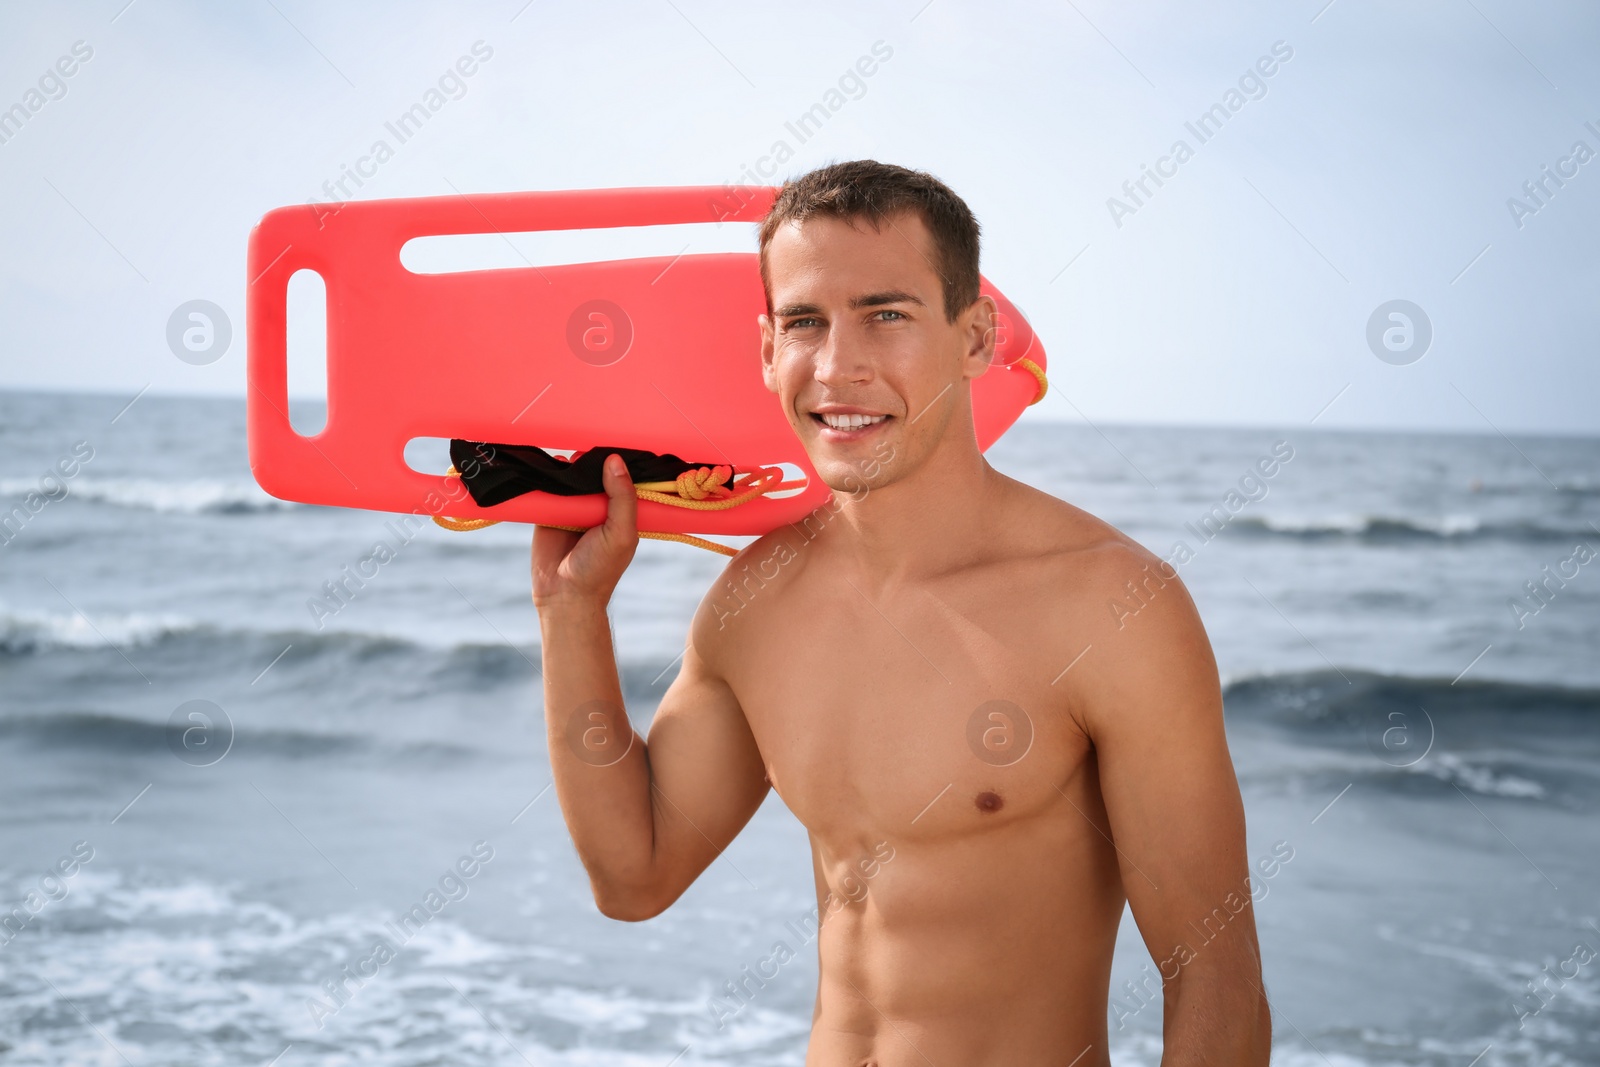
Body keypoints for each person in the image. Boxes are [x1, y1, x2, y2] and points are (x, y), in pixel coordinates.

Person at [531, 160, 1271, 1065]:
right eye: (805, 321)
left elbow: (1217, 983)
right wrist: (572, 615)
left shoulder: (1110, 607)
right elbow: (633, 873)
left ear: (975, 337)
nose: (838, 366)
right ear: (767, 350)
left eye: (887, 313)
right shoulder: (756, 601)